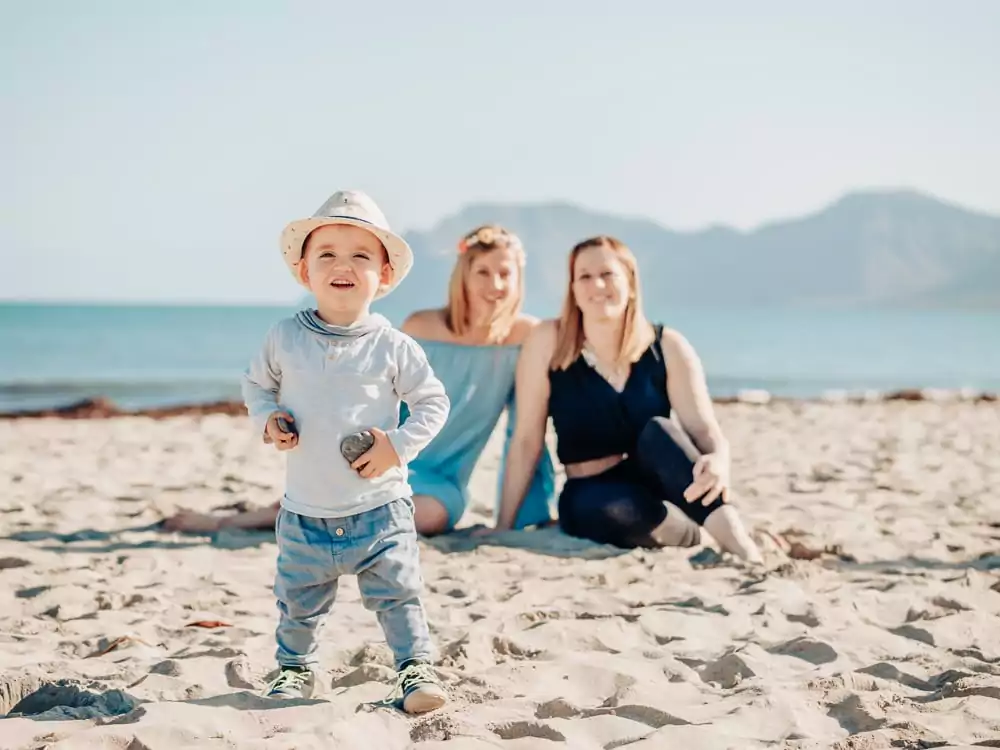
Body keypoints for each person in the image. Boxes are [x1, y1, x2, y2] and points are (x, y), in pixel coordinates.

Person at [163, 223, 555, 536]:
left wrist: (504, 526)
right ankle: (236, 521)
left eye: (506, 273)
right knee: (334, 495)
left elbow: (523, 433)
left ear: (519, 278)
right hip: (379, 450)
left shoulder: (527, 336)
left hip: (444, 478)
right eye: (482, 272)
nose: (495, 284)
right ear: (463, 277)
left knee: (427, 517)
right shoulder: (423, 325)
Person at [243, 189, 450, 712]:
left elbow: (433, 402)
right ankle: (294, 671)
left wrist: (397, 447)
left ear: (383, 274)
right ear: (303, 271)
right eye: (327, 254)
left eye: (361, 256)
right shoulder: (283, 337)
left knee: (399, 596)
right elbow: (257, 386)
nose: (344, 266)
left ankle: (413, 670)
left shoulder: (393, 345)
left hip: (380, 509)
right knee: (297, 603)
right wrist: (269, 418)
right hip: (304, 512)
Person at [488, 235, 762, 562]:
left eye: (608, 274)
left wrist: (720, 460)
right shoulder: (549, 341)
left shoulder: (668, 346)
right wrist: (503, 525)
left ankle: (744, 550)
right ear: (573, 290)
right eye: (584, 276)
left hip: (661, 479)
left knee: (660, 430)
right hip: (591, 492)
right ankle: (689, 530)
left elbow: (703, 429)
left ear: (630, 283)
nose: (597, 284)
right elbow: (526, 440)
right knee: (622, 509)